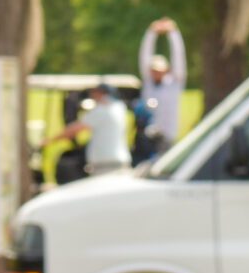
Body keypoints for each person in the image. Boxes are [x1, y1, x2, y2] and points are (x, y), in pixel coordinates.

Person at [135, 16, 187, 162]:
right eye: (153, 70)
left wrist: (173, 33)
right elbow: (144, 56)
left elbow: (179, 58)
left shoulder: (174, 83)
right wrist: (151, 33)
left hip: (168, 137)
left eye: (159, 70)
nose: (156, 73)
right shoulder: (149, 84)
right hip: (149, 137)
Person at [56, 82, 134, 177]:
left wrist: (49, 140)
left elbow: (74, 129)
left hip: (106, 164)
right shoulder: (119, 108)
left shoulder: (102, 110)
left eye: (96, 93)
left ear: (103, 94)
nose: (93, 95)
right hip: (118, 161)